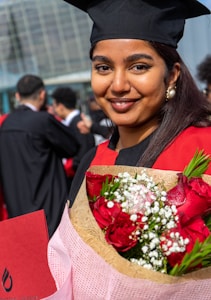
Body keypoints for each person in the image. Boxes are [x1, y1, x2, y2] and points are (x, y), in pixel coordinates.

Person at [64, 0, 211, 206]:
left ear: (172, 76)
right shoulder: (91, 163)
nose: (118, 85)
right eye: (104, 67)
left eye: (139, 67)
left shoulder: (204, 149)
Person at [0, 74, 79, 237]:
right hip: (48, 207)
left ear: (17, 96)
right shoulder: (42, 121)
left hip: (18, 209)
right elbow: (72, 147)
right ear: (42, 94)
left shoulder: (5, 125)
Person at [51, 86, 95, 188]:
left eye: (54, 106)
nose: (54, 110)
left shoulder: (78, 124)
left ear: (61, 106)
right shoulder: (74, 122)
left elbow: (84, 154)